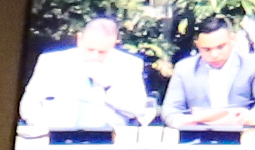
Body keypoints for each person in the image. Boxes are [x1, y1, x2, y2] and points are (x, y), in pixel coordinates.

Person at [17, 16, 156, 135]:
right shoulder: (51, 61)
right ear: (79, 39)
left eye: (102, 52)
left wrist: (108, 87)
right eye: (90, 49)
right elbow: (28, 104)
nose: (94, 56)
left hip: (107, 138)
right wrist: (42, 127)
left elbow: (136, 110)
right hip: (54, 134)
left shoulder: (129, 65)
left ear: (114, 44)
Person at [165, 23, 255, 136]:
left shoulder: (252, 65)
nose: (214, 55)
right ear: (198, 46)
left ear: (232, 39)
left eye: (220, 47)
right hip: (197, 135)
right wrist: (181, 121)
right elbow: (170, 109)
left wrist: (254, 116)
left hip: (243, 133)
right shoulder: (184, 69)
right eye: (207, 50)